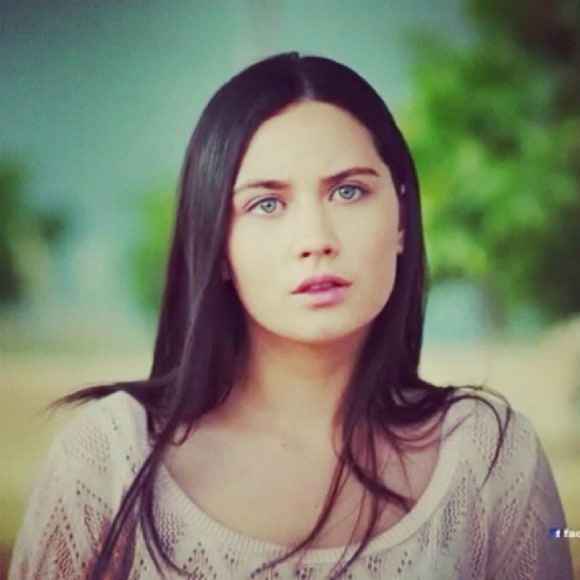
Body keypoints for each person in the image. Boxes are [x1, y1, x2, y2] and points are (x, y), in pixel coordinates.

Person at [9, 52, 573, 580]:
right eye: (266, 204)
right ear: (217, 245)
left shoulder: (490, 458)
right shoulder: (109, 461)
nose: (315, 239)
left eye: (348, 192)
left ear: (401, 217)